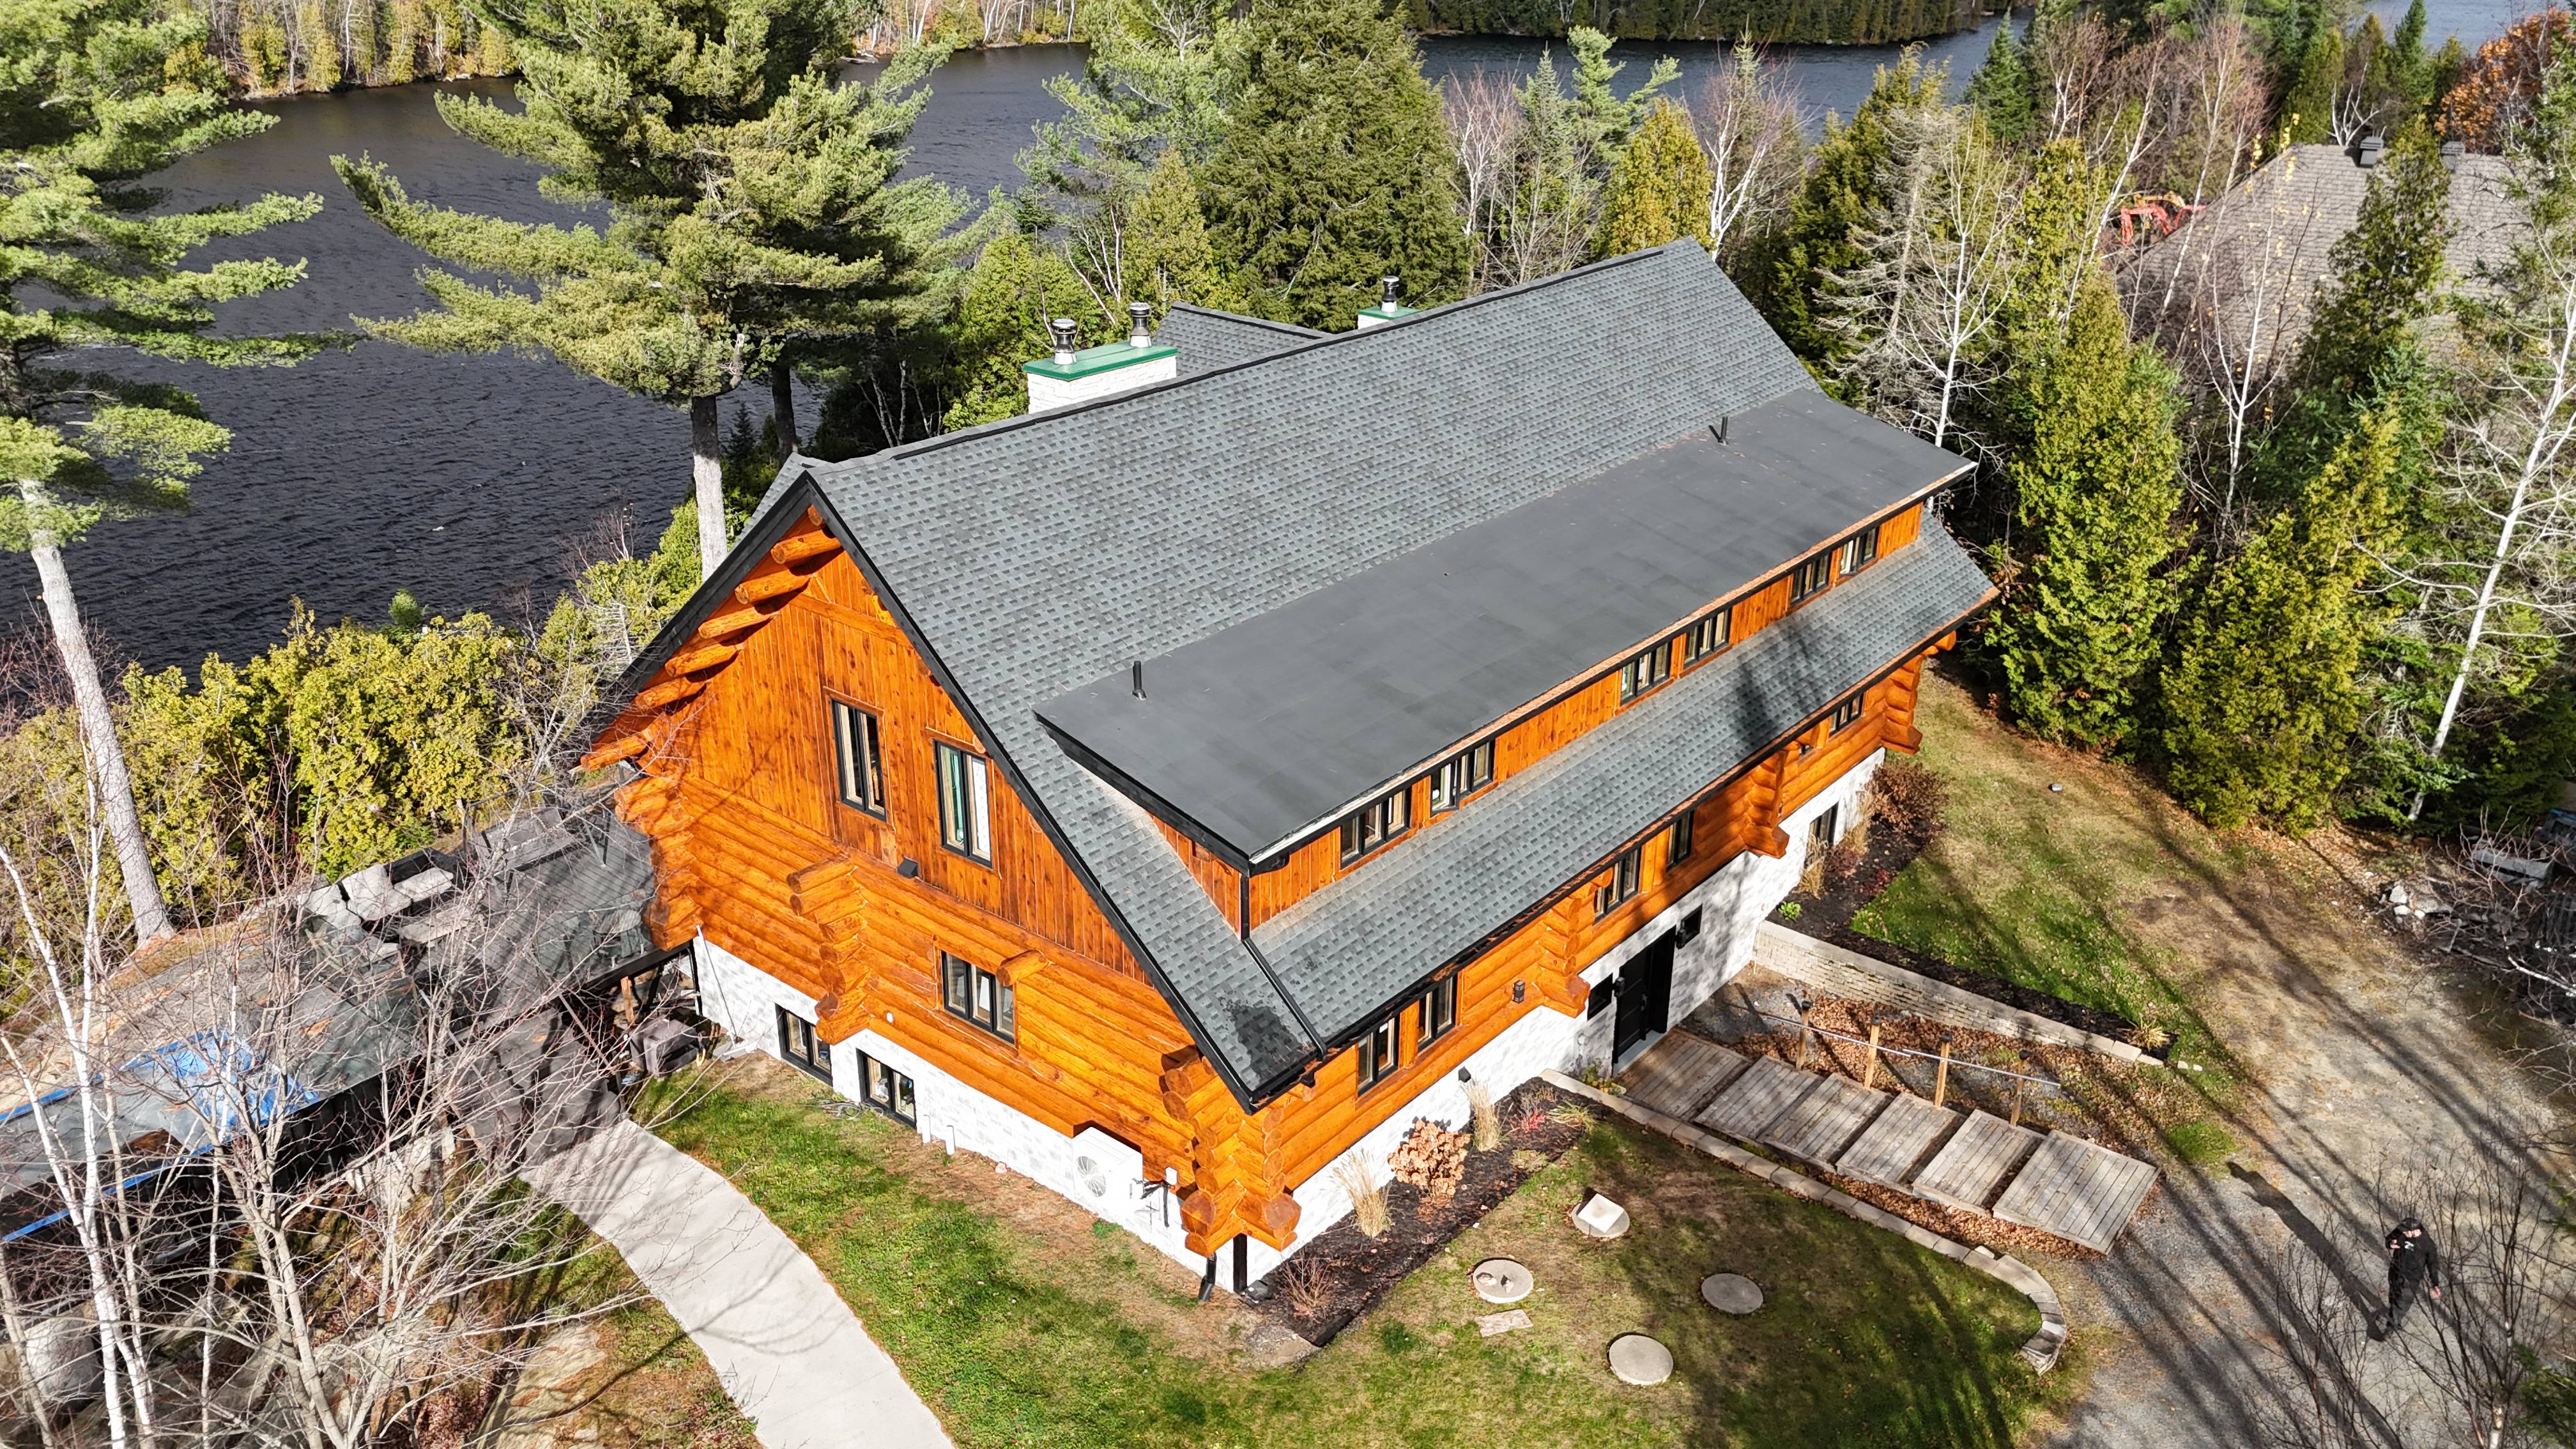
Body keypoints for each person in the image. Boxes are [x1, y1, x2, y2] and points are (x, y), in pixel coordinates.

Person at [2385, 1215, 2442, 1333]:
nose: (2403, 1234)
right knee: (2394, 1297)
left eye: (2406, 1232)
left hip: (2412, 1278)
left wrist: (2435, 1284)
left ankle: (2391, 1327)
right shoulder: (2401, 1231)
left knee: (2403, 1302)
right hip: (2396, 1270)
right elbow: (2389, 1239)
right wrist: (2390, 1244)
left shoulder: (2427, 1244)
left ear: (2416, 1231)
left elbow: (2433, 1265)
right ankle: (2394, 1317)